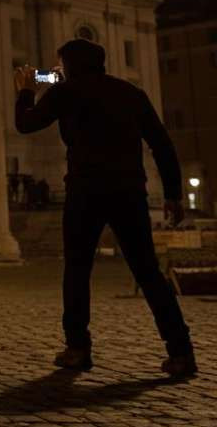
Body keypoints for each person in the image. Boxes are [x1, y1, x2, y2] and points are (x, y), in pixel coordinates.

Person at [14, 38, 197, 378]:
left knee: (78, 270)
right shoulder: (130, 93)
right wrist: (173, 194)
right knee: (148, 272)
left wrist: (26, 89)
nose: (57, 72)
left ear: (69, 66)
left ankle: (77, 347)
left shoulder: (64, 92)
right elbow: (161, 143)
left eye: (60, 66)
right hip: (129, 190)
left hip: (86, 190)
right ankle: (182, 352)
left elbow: (25, 124)